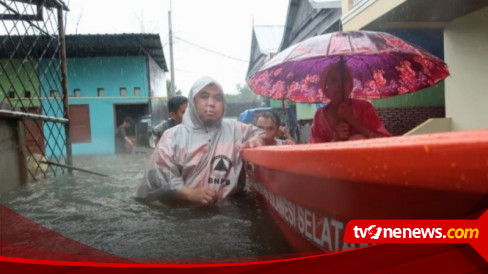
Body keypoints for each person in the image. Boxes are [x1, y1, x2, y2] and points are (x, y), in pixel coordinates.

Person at [135, 76, 264, 205]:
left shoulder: (237, 130)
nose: (211, 103)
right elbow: (159, 176)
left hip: (231, 209)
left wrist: (259, 138)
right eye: (204, 96)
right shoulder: (172, 136)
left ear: (223, 104)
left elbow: (265, 134)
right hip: (185, 215)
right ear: (193, 101)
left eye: (217, 98)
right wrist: (190, 194)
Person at [309, 62, 391, 143]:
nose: (340, 84)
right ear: (325, 87)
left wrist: (354, 121)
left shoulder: (365, 108)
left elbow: (386, 142)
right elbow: (315, 153)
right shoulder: (319, 117)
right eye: (334, 80)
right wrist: (337, 138)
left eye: (344, 79)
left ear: (351, 86)